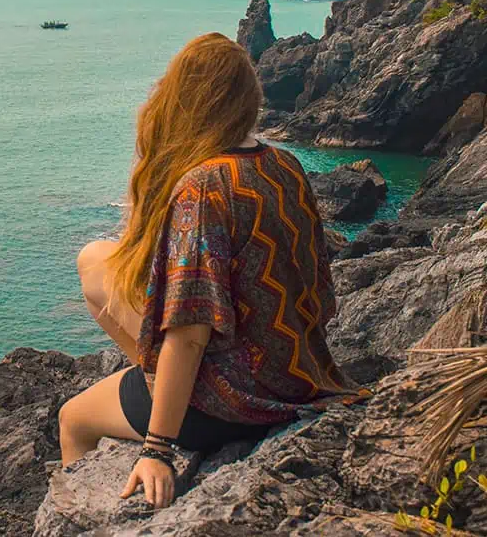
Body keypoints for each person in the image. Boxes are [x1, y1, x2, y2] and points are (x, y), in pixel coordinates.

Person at [60, 32, 367, 510]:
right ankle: (157, 378)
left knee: (73, 418)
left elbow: (190, 332)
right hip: (301, 373)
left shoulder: (202, 186)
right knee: (95, 257)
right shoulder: (284, 164)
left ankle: (164, 398)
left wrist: (157, 448)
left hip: (235, 404)